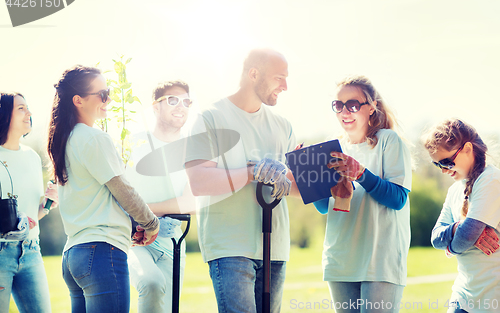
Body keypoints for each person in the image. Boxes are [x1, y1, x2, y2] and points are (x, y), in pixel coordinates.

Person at [185, 48, 298, 313]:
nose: (285, 86)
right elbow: (199, 181)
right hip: (230, 247)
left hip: (275, 248)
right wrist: (251, 172)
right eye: (279, 78)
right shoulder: (211, 118)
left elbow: (299, 189)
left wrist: (327, 175)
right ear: (254, 74)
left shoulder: (283, 126)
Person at [47, 65, 160, 312]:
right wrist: (151, 224)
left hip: (75, 254)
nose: (108, 99)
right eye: (102, 93)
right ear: (78, 100)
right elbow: (123, 190)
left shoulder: (65, 141)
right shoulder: (94, 138)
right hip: (100, 254)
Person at [313, 75, 412, 313]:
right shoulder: (331, 147)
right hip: (340, 259)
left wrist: (361, 174)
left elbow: (398, 199)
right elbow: (325, 207)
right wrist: (309, 177)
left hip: (380, 260)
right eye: (338, 105)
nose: (345, 111)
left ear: (371, 107)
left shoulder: (388, 141)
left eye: (353, 105)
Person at [127, 80, 196, 312]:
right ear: (155, 107)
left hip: (173, 242)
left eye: (186, 102)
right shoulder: (133, 143)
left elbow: (191, 202)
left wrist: (143, 210)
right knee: (151, 283)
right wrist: (144, 218)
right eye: (173, 100)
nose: (181, 106)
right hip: (134, 240)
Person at [423, 118, 500, 313]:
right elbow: (435, 237)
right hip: (463, 296)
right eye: (437, 164)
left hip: (493, 296)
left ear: (467, 149)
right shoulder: (454, 190)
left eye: (447, 161)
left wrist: (453, 246)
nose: (444, 170)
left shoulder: (490, 179)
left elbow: (467, 237)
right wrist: (458, 228)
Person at [0, 92, 58, 313]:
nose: (29, 113)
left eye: (28, 108)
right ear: (4, 115)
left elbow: (33, 215)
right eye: (21, 108)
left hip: (32, 251)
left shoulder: (33, 157)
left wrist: (47, 204)